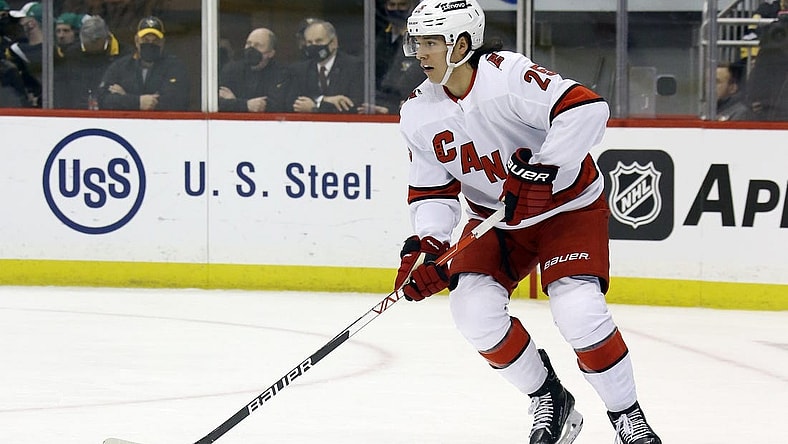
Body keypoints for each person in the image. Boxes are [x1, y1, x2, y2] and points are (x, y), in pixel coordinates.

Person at [393, 2, 662, 444]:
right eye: (416, 42)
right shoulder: (418, 113)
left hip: (567, 209)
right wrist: (429, 245)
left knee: (579, 311)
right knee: (472, 312)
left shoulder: (507, 76)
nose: (420, 53)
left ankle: (627, 419)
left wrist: (546, 169)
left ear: (462, 44)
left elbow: (587, 109)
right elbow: (432, 193)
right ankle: (551, 399)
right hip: (495, 222)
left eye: (431, 42)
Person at [98, 16, 190, 111]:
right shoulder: (120, 67)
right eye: (145, 40)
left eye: (155, 41)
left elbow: (178, 101)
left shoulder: (174, 67)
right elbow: (103, 99)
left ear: (162, 43)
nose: (150, 44)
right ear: (137, 41)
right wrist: (137, 102)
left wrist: (125, 96)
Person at [286, 19, 363, 113]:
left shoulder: (354, 66)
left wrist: (317, 107)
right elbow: (291, 102)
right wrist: (324, 100)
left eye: (319, 41)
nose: (314, 46)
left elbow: (354, 105)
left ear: (334, 42)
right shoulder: (300, 70)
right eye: (309, 42)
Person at [359, 0, 422, 114]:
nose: (396, 9)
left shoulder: (419, 42)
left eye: (402, 5)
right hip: (374, 106)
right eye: (392, 5)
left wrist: (391, 109)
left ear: (412, 6)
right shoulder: (377, 40)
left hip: (404, 110)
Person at [54, 15, 121, 109]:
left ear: (104, 39)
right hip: (77, 111)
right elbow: (61, 86)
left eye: (94, 44)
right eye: (86, 44)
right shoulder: (71, 55)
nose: (89, 48)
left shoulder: (123, 54)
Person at [218, 28, 290, 113]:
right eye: (248, 44)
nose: (251, 48)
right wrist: (245, 105)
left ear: (271, 53)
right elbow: (218, 102)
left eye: (258, 45)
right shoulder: (231, 70)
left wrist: (234, 102)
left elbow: (276, 105)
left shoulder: (281, 73)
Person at [7, 1, 42, 107]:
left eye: (22, 19)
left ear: (31, 23)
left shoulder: (53, 50)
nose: (20, 23)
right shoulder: (15, 50)